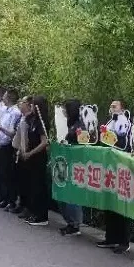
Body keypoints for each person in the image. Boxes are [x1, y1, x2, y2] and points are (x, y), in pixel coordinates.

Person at [97, 100, 133, 253]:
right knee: (110, 204)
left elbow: (124, 143)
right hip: (109, 167)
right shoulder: (111, 121)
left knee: (121, 207)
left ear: (122, 108)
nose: (111, 108)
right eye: (110, 106)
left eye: (115, 106)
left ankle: (123, 241)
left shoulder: (125, 122)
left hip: (121, 167)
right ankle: (111, 237)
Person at [21, 95, 51, 226]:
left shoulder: (42, 122)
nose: (31, 107)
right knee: (32, 185)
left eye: (33, 105)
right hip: (31, 157)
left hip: (39, 157)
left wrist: (30, 153)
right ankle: (34, 211)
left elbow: (44, 142)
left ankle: (42, 216)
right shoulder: (33, 120)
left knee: (39, 186)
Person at [58, 99, 86, 236]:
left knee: (72, 196)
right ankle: (70, 222)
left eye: (66, 109)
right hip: (68, 160)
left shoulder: (81, 125)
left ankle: (75, 224)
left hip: (77, 163)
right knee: (65, 194)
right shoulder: (70, 123)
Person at [0, 89, 22, 209]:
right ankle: (3, 197)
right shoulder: (4, 110)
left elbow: (12, 132)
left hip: (7, 145)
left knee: (7, 174)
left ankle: (10, 200)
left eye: (4, 96)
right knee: (0, 173)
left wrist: (1, 130)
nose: (2, 98)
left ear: (9, 98)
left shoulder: (15, 112)